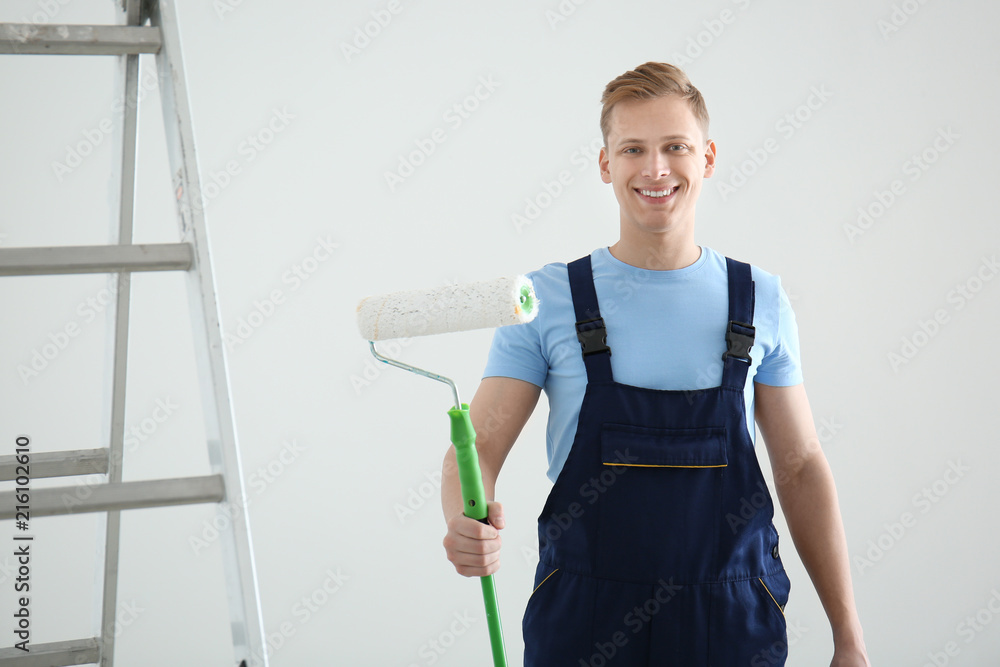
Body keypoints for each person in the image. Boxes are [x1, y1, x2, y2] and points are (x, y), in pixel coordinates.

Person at [440, 61, 870, 666]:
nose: (655, 168)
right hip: (583, 626)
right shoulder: (547, 301)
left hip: (733, 627)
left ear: (709, 157)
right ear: (605, 164)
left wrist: (848, 637)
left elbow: (799, 468)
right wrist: (465, 517)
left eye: (676, 147)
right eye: (633, 149)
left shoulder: (760, 300)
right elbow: (477, 447)